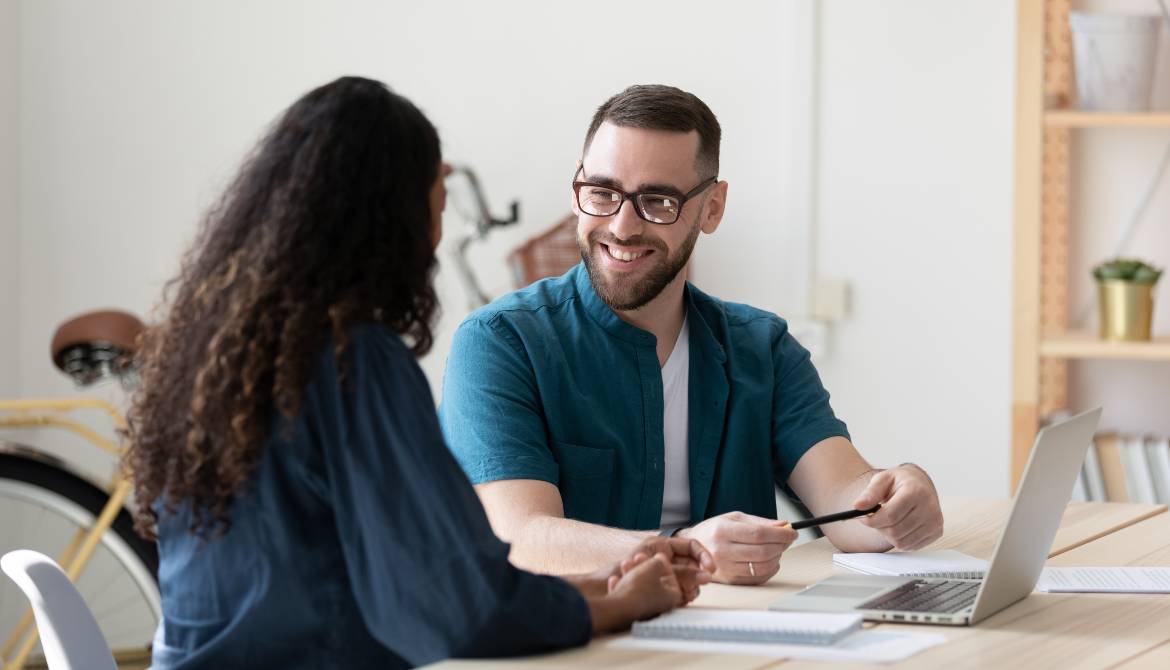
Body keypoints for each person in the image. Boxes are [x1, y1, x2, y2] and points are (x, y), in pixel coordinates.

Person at [123, 77, 711, 670]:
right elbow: (447, 608)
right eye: (437, 202)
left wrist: (605, 582)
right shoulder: (354, 362)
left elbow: (434, 588)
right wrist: (620, 605)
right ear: (391, 219)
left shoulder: (214, 355)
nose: (437, 232)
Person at [439, 84, 944, 586]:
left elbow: (849, 503)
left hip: (735, 637)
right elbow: (521, 539)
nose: (621, 226)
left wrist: (898, 495)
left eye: (658, 201)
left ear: (712, 208)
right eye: (602, 193)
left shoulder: (761, 347)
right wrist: (684, 551)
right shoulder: (500, 343)